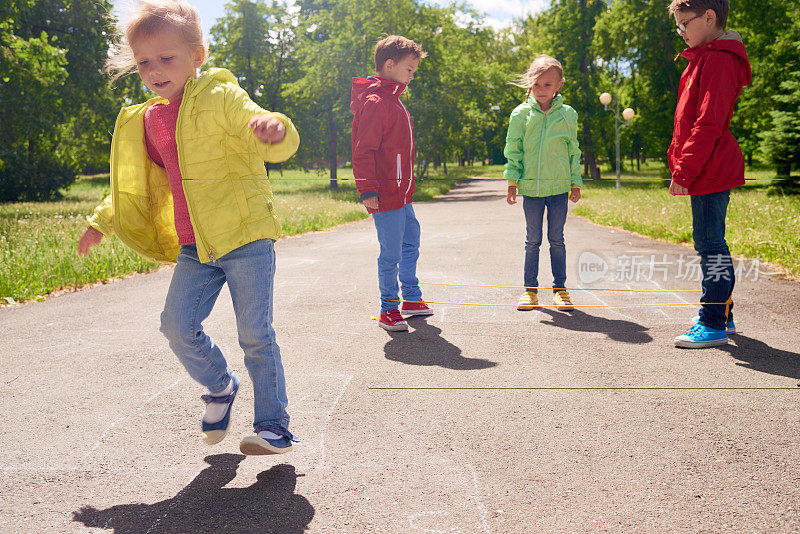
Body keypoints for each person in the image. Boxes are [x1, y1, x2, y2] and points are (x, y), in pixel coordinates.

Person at [77, 0, 301, 454]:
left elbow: (259, 123)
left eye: (167, 58)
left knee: (256, 334)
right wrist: (102, 221)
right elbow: (137, 183)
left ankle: (273, 426)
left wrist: (274, 129)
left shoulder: (222, 97)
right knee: (177, 326)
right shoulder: (152, 119)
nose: (154, 70)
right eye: (143, 62)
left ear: (197, 55)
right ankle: (220, 386)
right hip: (194, 244)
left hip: (244, 235)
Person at [667, 0, 751, 348]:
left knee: (711, 245)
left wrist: (684, 172)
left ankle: (713, 321)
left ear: (709, 17)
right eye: (678, 25)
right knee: (709, 242)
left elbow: (708, 123)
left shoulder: (717, 59)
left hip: (708, 167)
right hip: (706, 166)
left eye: (684, 23)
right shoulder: (706, 57)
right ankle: (722, 313)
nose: (681, 31)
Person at [350, 35, 432, 332]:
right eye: (409, 69)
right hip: (384, 194)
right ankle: (388, 309)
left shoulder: (393, 100)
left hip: (402, 193)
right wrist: (368, 190)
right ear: (389, 64)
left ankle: (411, 298)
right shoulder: (376, 101)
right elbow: (364, 150)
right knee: (392, 253)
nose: (412, 75)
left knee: (411, 242)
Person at [503, 55, 582, 313]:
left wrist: (575, 182)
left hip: (559, 190)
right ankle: (530, 291)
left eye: (547, 85)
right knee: (532, 240)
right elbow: (513, 149)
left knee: (556, 239)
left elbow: (574, 152)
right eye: (536, 85)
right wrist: (512, 181)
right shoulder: (521, 114)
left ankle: (560, 289)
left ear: (559, 85)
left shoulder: (567, 115)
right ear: (530, 83)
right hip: (532, 191)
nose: (541, 90)